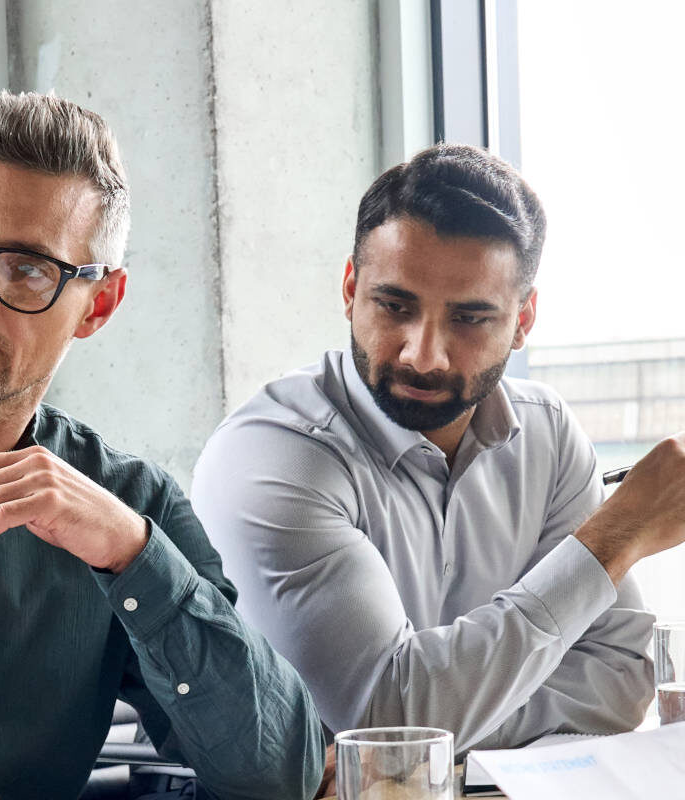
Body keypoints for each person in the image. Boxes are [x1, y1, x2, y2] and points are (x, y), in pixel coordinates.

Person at [0, 90, 324, 800]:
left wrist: (131, 555)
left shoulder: (131, 505)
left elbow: (280, 778)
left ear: (99, 304)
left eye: (26, 268)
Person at [191, 143, 677, 763]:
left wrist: (450, 721)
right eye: (395, 306)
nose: (424, 355)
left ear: (523, 319)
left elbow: (619, 683)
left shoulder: (547, 434)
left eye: (471, 318)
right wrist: (613, 539)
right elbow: (388, 727)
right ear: (349, 287)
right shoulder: (274, 457)